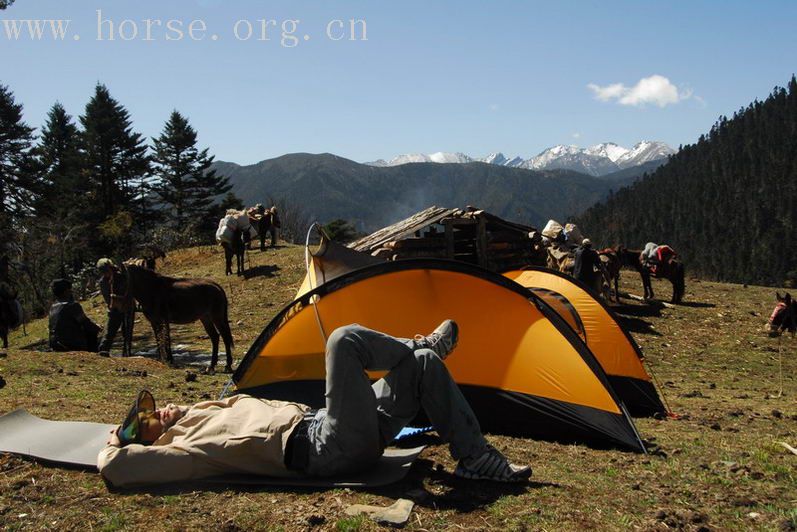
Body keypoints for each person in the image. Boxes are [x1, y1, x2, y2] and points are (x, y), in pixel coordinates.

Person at [98, 321, 532, 487]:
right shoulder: (186, 452)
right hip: (326, 448)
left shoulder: (201, 412)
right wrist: (116, 439)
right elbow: (117, 468)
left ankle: (475, 457)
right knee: (343, 340)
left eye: (154, 404)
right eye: (150, 418)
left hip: (337, 426)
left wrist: (178, 409)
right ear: (148, 439)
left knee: (421, 365)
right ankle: (420, 342)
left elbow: (194, 405)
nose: (161, 408)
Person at [48, 279, 101, 352]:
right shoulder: (72, 305)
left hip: (54, 343)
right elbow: (85, 323)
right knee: (91, 333)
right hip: (70, 344)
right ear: (66, 291)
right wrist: (98, 328)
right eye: (70, 289)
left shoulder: (53, 306)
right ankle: (95, 355)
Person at [96, 258, 125, 357]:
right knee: (109, 331)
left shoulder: (122, 275)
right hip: (115, 308)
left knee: (126, 331)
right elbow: (108, 299)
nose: (106, 273)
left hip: (126, 306)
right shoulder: (103, 282)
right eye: (103, 271)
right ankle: (103, 350)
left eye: (107, 270)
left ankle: (126, 351)